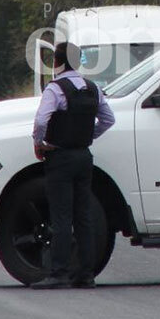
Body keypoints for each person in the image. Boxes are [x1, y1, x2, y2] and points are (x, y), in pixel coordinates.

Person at [30, 42, 115, 289]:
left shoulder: (55, 89)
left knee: (61, 215)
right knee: (84, 215)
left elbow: (41, 120)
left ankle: (59, 272)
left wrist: (39, 142)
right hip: (83, 156)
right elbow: (109, 120)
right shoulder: (92, 88)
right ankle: (86, 274)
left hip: (60, 157)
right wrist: (89, 135)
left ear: (58, 62)